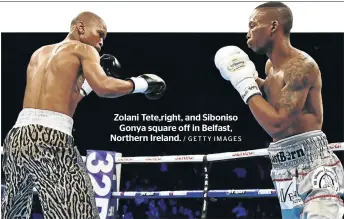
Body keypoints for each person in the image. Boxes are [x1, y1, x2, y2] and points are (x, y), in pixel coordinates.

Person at [1, 11, 166, 219]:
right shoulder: (84, 49)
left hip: (17, 138)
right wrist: (142, 84)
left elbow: (64, 98)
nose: (101, 42)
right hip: (51, 138)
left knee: (13, 213)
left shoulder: (39, 53)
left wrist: (87, 84)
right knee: (80, 213)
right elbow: (104, 88)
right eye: (100, 33)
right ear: (80, 28)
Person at [214, 1, 344, 219]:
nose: (247, 34)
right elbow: (277, 99)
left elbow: (277, 124)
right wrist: (253, 79)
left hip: (313, 166)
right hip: (282, 166)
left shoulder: (301, 66)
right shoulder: (270, 68)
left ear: (273, 26)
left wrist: (245, 86)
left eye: (252, 26)